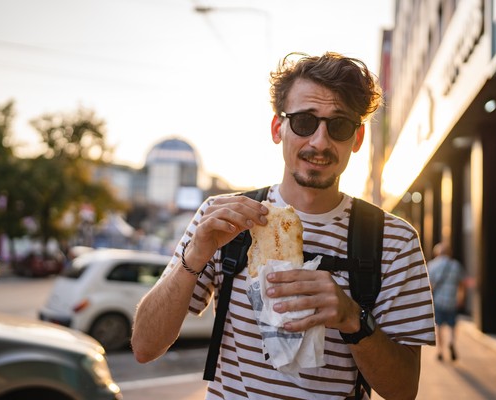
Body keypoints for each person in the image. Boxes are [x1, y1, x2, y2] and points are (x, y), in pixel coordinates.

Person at [132, 51, 436, 399]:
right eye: (305, 122)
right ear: (279, 128)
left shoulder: (394, 241)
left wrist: (353, 317)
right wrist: (196, 254)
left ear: (357, 139)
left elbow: (403, 390)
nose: (320, 141)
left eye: (339, 125)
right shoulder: (221, 217)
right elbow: (144, 347)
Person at [428, 241, 465, 362]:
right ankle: (451, 342)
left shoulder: (432, 265)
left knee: (438, 326)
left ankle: (440, 350)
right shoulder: (456, 265)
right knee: (452, 325)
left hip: (438, 301)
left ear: (437, 253)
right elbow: (461, 285)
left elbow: (429, 286)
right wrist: (460, 298)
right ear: (450, 253)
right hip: (452, 301)